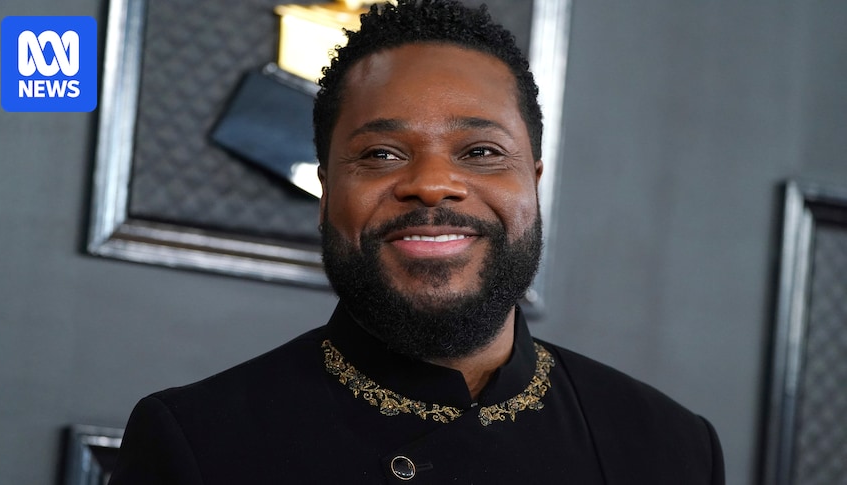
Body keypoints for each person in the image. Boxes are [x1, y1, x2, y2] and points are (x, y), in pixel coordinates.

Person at [109, 1, 725, 483]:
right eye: (381, 154)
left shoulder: (671, 446)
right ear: (327, 193)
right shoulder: (198, 442)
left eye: (480, 152)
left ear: (533, 183)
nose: (431, 184)